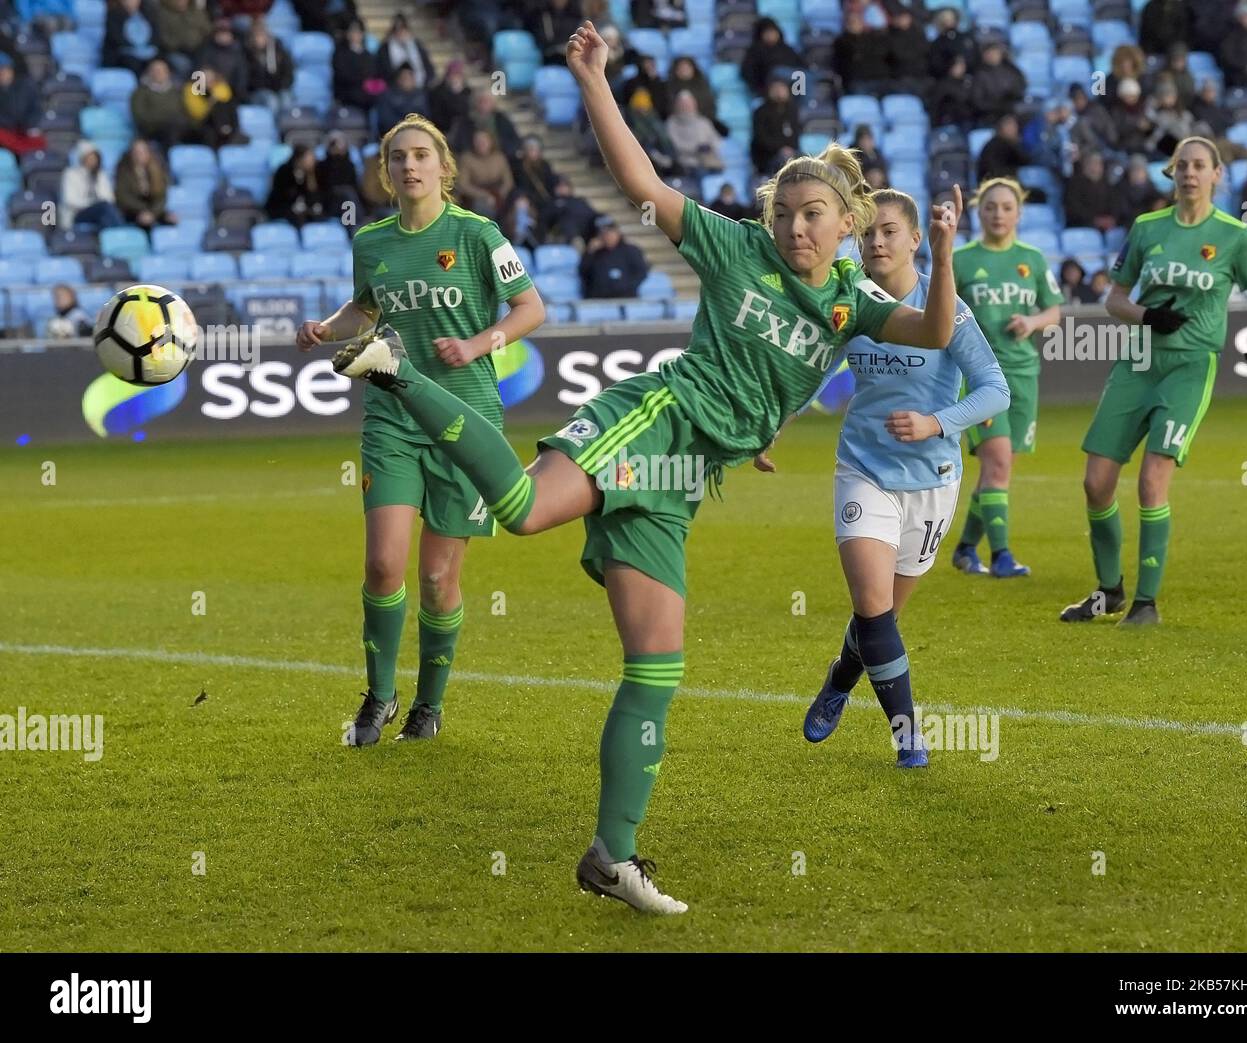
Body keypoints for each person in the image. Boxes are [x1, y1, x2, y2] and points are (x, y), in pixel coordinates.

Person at [325, 21, 960, 914]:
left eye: (811, 213)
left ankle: (610, 856)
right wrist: (592, 77)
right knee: (519, 506)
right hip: (654, 422)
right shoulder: (737, 247)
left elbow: (935, 332)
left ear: (848, 223)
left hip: (684, 481)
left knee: (657, 664)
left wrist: (946, 254)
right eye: (784, 211)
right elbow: (639, 181)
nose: (792, 225)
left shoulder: (855, 302)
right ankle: (395, 368)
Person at [294, 112, 544, 746]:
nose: (410, 165)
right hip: (392, 417)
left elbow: (531, 309)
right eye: (398, 157)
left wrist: (482, 341)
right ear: (387, 170)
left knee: (438, 580)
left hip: (467, 422)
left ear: (443, 168)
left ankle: (429, 707)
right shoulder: (371, 242)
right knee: (383, 565)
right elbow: (364, 309)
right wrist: (328, 327)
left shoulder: (478, 234)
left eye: (421, 156)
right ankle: (378, 696)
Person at [785, 189, 1008, 765]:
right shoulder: (849, 299)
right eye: (867, 234)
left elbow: (994, 391)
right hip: (863, 468)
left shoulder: (946, 306)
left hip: (932, 478)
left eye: (888, 232)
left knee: (879, 615)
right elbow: (810, 369)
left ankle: (840, 677)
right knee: (873, 604)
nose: (876, 242)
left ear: (915, 239)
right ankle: (908, 734)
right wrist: (770, 424)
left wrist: (937, 421)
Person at [1061, 136, 1247, 626]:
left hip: (1189, 366)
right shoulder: (1146, 228)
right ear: (1171, 174)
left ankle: (1145, 604)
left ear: (1217, 175)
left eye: (1200, 166)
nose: (1190, 173)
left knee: (1152, 481)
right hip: (1137, 361)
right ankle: (1109, 591)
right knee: (1095, 483)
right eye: (1182, 165)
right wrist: (1145, 316)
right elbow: (1115, 298)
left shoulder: (1235, 236)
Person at [949, 178, 1063, 578]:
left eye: (1006, 207)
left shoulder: (1031, 259)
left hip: (1024, 374)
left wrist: (1032, 321)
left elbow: (1054, 311)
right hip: (980, 376)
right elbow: (941, 310)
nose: (999, 214)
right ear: (979, 212)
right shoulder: (960, 260)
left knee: (999, 470)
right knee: (997, 464)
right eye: (990, 207)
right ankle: (1001, 557)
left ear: (1019, 213)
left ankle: (965, 549)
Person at [580, 214, 649, 297]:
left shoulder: (630, 250)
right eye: (604, 234)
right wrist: (589, 253)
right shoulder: (594, 253)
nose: (608, 237)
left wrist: (626, 287)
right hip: (599, 299)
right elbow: (583, 272)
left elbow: (641, 272)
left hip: (626, 297)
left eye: (611, 233)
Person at [115, 137, 177, 230]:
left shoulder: (157, 171)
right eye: (136, 152)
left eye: (143, 151)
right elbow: (123, 197)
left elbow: (161, 197)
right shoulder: (124, 171)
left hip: (153, 211)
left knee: (171, 219)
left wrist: (152, 213)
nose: (139, 155)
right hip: (132, 211)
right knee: (144, 222)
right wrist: (143, 211)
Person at [60, 141, 123, 230]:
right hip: (78, 213)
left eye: (95, 157)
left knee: (106, 214)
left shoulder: (101, 175)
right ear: (82, 158)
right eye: (90, 157)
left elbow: (109, 198)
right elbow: (70, 200)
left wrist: (97, 203)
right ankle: (119, 231)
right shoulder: (71, 174)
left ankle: (114, 235)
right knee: (104, 209)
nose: (93, 160)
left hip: (99, 211)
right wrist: (92, 203)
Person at [130, 58, 189, 149]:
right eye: (155, 70)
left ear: (168, 73)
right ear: (149, 73)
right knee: (171, 127)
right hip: (151, 130)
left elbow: (183, 111)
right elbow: (140, 116)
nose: (159, 73)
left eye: (162, 70)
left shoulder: (177, 91)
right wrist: (165, 118)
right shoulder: (140, 93)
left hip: (177, 128)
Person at [457, 127, 514, 218]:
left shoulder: (499, 157)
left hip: (499, 193)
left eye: (484, 140)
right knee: (484, 208)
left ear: (491, 141)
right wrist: (485, 196)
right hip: (476, 196)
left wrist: (499, 195)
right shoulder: (466, 159)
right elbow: (463, 184)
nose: (481, 143)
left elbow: (508, 181)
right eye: (478, 140)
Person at [665, 90, 723, 176]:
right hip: (686, 163)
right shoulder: (671, 123)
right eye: (683, 104)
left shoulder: (703, 121)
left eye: (689, 103)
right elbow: (674, 144)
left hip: (706, 162)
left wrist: (709, 147)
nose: (687, 106)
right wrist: (696, 148)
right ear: (677, 105)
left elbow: (716, 140)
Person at [266, 144, 327, 225]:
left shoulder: (313, 172)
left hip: (303, 207)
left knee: (319, 215)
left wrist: (310, 175)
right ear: (299, 159)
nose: (313, 161)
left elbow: (313, 194)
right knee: (298, 217)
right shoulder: (284, 171)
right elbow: (282, 194)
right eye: (309, 159)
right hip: (281, 207)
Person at [741, 16, 804, 95]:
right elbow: (748, 73)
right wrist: (761, 89)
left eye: (773, 32)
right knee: (781, 72)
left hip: (791, 88)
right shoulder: (755, 51)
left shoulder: (787, 49)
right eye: (767, 32)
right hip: (768, 88)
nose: (771, 35)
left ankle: (802, 103)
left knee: (804, 76)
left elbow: (802, 64)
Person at [750, 76, 800, 175]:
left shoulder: (792, 111)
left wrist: (789, 148)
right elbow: (761, 138)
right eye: (775, 88)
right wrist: (780, 149)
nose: (779, 92)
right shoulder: (761, 112)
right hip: (766, 156)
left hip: (790, 152)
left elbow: (795, 134)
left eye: (782, 88)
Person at [245, 16, 294, 115]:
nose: (259, 39)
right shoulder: (247, 54)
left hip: (279, 88)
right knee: (271, 101)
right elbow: (248, 79)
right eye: (257, 35)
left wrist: (281, 86)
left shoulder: (278, 50)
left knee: (286, 99)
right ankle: (275, 129)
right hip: (257, 91)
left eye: (262, 34)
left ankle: (288, 126)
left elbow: (288, 72)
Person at [332, 18, 383, 111]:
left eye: (358, 31)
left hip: (367, 94)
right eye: (352, 31)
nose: (355, 34)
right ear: (347, 33)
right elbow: (342, 75)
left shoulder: (368, 55)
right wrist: (363, 81)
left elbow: (374, 73)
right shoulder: (340, 53)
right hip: (348, 93)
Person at [1064, 150, 1119, 231]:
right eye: (1092, 163)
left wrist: (1111, 218)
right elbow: (1073, 208)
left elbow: (1115, 204)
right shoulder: (1074, 184)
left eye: (1098, 163)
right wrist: (1095, 220)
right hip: (1081, 226)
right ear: (1085, 165)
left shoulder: (1107, 185)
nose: (1095, 167)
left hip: (1106, 226)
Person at [378, 12, 434, 88]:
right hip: (394, 88)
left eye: (404, 30)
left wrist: (426, 81)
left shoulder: (417, 45)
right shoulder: (385, 48)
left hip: (419, 87)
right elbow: (384, 71)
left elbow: (428, 66)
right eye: (399, 31)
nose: (401, 33)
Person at [102, 0, 157, 75]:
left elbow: (155, 35)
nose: (131, 2)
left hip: (146, 51)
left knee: (158, 60)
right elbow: (116, 38)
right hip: (120, 53)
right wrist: (136, 49)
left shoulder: (148, 13)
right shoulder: (113, 15)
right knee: (134, 62)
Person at [539, 174, 597, 244]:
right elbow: (544, 220)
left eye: (565, 186)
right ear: (554, 188)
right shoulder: (551, 203)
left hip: (582, 233)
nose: (563, 188)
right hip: (560, 235)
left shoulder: (579, 201)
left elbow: (592, 214)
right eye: (560, 186)